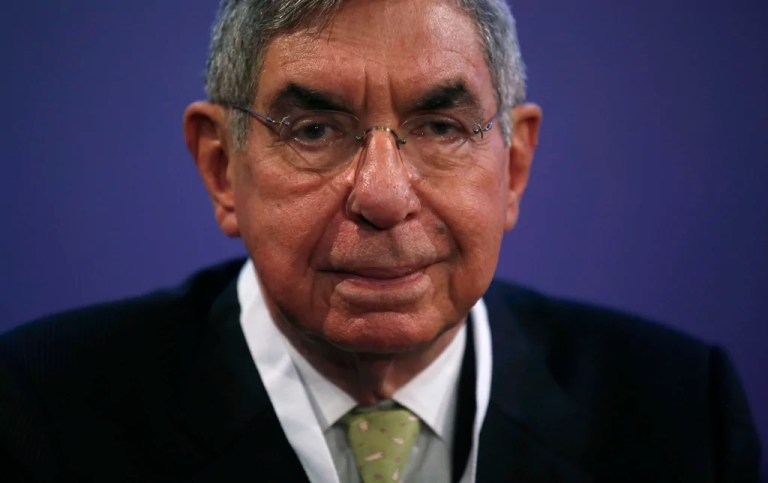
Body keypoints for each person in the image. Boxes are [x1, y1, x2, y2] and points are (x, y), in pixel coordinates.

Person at [0, 0, 760, 481]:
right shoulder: (40, 415)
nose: (384, 197)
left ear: (515, 167)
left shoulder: (678, 417)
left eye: (442, 127)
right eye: (314, 130)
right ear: (223, 167)